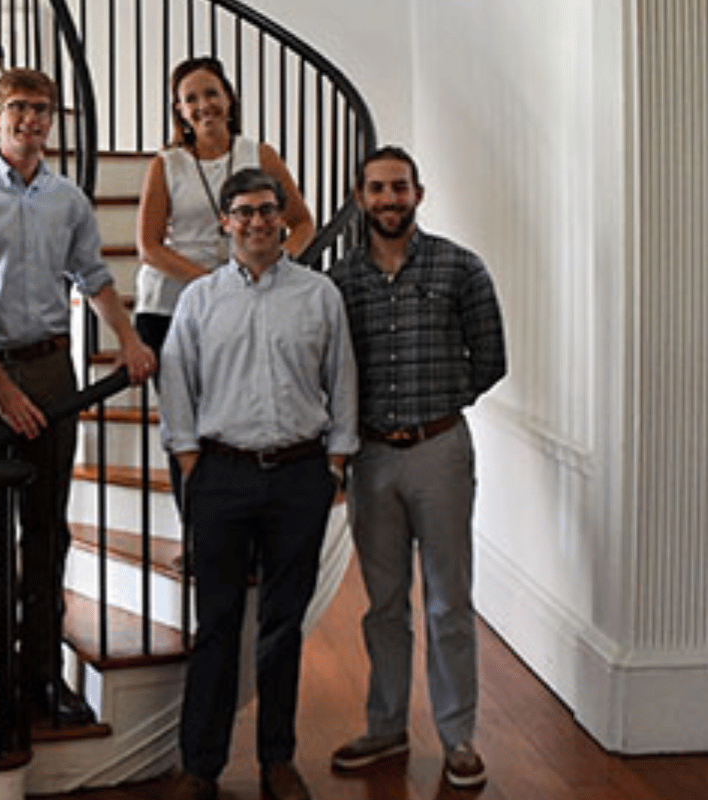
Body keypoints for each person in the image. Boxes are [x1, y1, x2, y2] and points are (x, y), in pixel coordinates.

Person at [0, 68, 155, 727]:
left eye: (42, 109)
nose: (30, 119)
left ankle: (44, 678)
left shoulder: (68, 200)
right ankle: (0, 678)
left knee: (48, 532)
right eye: (18, 108)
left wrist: (128, 339)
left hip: (55, 369)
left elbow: (94, 276)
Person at [160, 167, 358, 800]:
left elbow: (343, 378)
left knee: (282, 624)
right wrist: (191, 461)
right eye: (242, 211)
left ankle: (278, 758)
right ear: (224, 221)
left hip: (300, 475)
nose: (255, 221)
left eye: (267, 210)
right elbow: (176, 387)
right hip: (221, 475)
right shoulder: (199, 299)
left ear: (282, 218)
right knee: (215, 625)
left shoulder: (319, 294)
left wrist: (335, 463)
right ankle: (201, 766)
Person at [328, 146, 507, 790]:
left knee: (449, 600)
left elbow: (491, 357)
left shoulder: (461, 267)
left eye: (399, 188)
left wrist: (438, 401)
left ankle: (458, 737)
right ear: (360, 198)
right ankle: (385, 726)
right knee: (383, 604)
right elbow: (330, 370)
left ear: (418, 194)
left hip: (440, 451)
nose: (389, 200)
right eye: (377, 189)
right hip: (371, 458)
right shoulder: (341, 282)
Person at [135, 55, 314, 379]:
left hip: (241, 302)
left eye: (211, 93)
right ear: (180, 111)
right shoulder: (166, 164)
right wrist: (216, 284)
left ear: (229, 98)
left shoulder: (259, 154)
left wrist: (275, 267)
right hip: (171, 305)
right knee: (184, 416)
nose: (204, 105)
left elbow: (302, 223)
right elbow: (149, 247)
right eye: (191, 99)